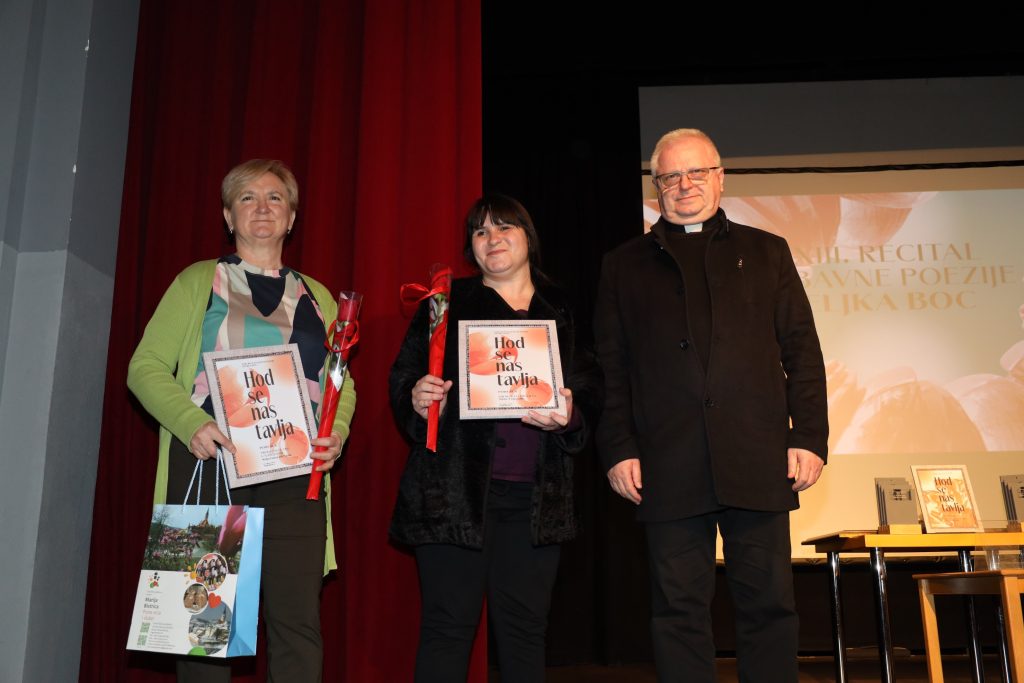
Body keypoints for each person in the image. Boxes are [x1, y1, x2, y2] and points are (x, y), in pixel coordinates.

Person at [594, 129, 828, 683]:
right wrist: (619, 448)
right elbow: (610, 368)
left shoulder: (767, 251)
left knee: (769, 605)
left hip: (757, 457)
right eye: (672, 176)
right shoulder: (623, 265)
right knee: (677, 612)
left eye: (697, 172)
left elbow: (802, 350)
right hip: (667, 462)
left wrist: (808, 436)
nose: (686, 185)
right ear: (656, 188)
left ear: (720, 177)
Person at [128, 159, 356, 682]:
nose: (262, 208)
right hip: (211, 467)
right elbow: (144, 367)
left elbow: (341, 382)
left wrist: (336, 432)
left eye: (275, 198)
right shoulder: (198, 281)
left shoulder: (319, 297)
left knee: (297, 628)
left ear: (292, 217)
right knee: (205, 630)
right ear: (229, 216)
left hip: (296, 476)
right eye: (247, 197)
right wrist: (190, 421)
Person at [389, 194, 602, 682]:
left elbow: (591, 386)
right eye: (481, 232)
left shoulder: (562, 308)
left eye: (505, 227)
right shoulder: (445, 304)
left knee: (525, 635)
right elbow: (405, 377)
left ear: (528, 238)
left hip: (536, 500)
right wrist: (416, 397)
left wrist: (570, 414)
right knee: (447, 631)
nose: (493, 239)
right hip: (453, 497)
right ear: (472, 247)